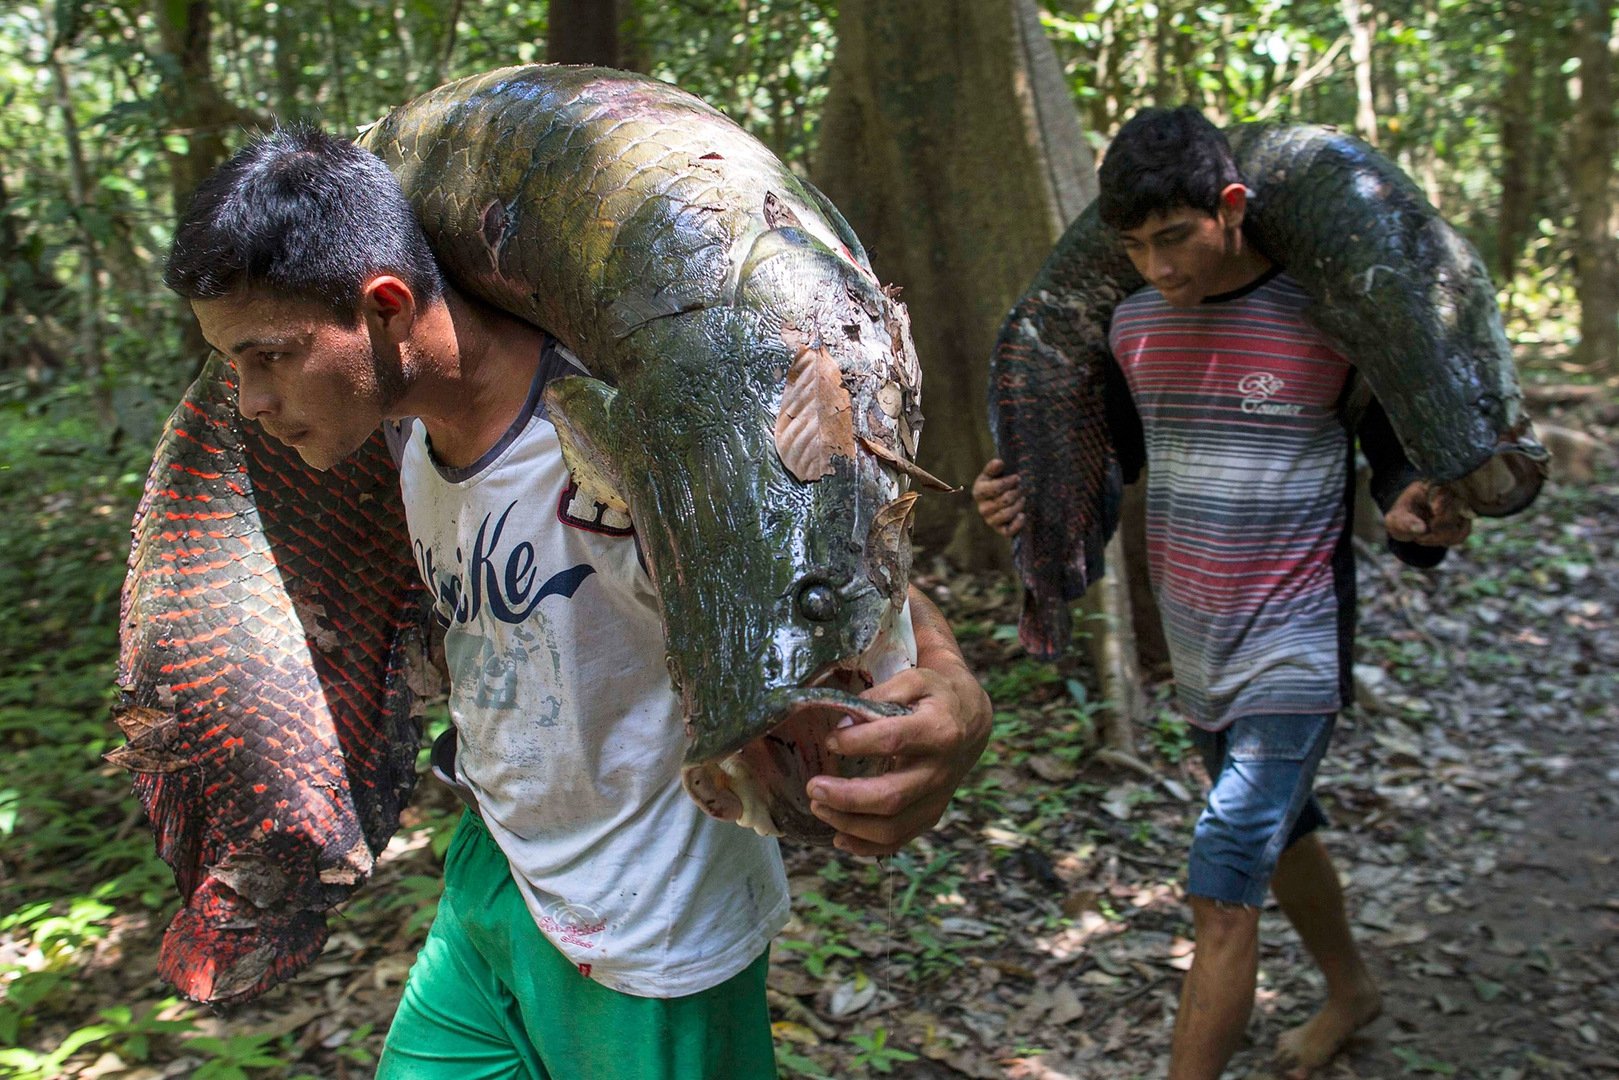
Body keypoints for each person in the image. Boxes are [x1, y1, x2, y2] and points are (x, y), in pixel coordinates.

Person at [165, 126, 991, 1079]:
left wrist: (956, 693)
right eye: (234, 365)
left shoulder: (630, 441)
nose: (251, 399)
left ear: (384, 307)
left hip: (653, 935)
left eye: (268, 356)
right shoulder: (404, 442)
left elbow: (845, 582)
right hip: (495, 876)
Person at [974, 105, 1472, 1080]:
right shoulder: (1127, 321)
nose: (1157, 265)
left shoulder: (1327, 310)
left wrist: (1417, 508)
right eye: (1133, 246)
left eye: (1174, 238)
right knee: (1284, 832)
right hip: (1199, 647)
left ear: (1231, 207)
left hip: (1292, 644)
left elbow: (1392, 463)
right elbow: (1105, 468)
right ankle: (1351, 988)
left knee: (1220, 886)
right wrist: (1030, 503)